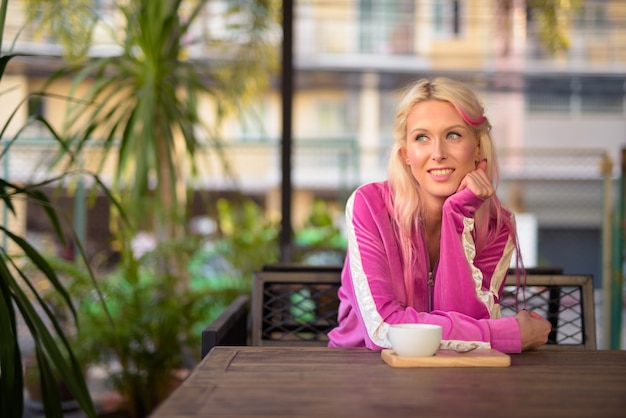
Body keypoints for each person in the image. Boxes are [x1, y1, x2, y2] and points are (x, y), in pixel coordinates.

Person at [328, 77, 551, 353]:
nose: (438, 153)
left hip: (455, 379)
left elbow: (472, 323)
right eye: (422, 138)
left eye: (453, 135)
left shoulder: (497, 227)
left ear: (477, 147)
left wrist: (457, 216)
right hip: (364, 374)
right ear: (406, 153)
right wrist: (508, 334)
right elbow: (383, 329)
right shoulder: (370, 207)